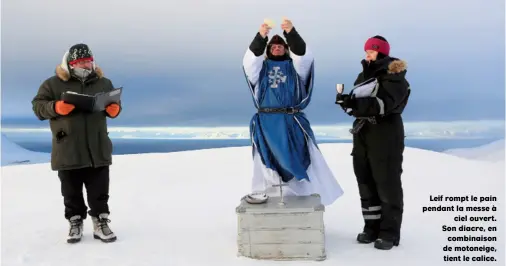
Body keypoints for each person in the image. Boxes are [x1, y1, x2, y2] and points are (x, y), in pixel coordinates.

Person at [242, 18, 344, 206]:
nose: (277, 47)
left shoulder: (296, 68)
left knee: (298, 159)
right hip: (266, 124)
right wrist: (261, 36)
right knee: (268, 162)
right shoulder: (260, 70)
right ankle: (272, 201)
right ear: (268, 49)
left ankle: (301, 200)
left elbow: (303, 57)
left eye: (281, 45)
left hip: (292, 121)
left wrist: (291, 33)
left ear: (287, 49)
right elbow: (250, 62)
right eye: (273, 45)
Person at [31, 43, 121, 244]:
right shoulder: (52, 84)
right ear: (69, 63)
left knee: (100, 190)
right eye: (80, 62)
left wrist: (115, 109)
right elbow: (37, 107)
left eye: (88, 61)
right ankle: (75, 223)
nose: (85, 65)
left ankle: (101, 222)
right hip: (68, 148)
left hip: (97, 148)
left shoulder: (104, 83)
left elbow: (114, 103)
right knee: (71, 192)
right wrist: (55, 107)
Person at [335, 35, 410, 250]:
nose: (367, 53)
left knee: (386, 182)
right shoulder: (364, 75)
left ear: (382, 52)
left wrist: (355, 103)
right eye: (367, 50)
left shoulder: (395, 77)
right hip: (363, 133)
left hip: (385, 133)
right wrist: (347, 103)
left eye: (372, 50)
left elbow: (382, 105)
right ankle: (371, 227)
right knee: (365, 180)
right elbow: (361, 108)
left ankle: (389, 232)